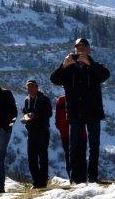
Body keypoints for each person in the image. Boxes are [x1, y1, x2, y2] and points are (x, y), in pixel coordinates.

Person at [50, 38, 110, 184]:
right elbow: (54, 79)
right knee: (74, 146)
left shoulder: (95, 66)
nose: (80, 49)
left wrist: (90, 64)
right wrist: (63, 66)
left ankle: (93, 177)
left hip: (93, 112)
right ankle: (75, 179)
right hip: (75, 112)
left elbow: (105, 75)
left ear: (89, 50)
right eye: (77, 47)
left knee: (94, 145)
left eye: (83, 47)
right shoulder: (68, 68)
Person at [22, 79, 53, 189]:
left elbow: (49, 113)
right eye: (28, 87)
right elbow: (25, 112)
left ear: (37, 87)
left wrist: (35, 115)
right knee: (31, 157)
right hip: (31, 132)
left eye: (32, 87)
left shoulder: (44, 99)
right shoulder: (27, 100)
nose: (30, 89)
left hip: (42, 131)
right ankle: (36, 181)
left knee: (42, 157)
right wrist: (25, 118)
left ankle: (42, 182)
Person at [54, 94, 73, 179]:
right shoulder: (61, 101)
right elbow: (57, 120)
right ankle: (72, 178)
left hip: (71, 134)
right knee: (69, 155)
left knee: (71, 155)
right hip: (66, 134)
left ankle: (76, 178)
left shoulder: (61, 101)